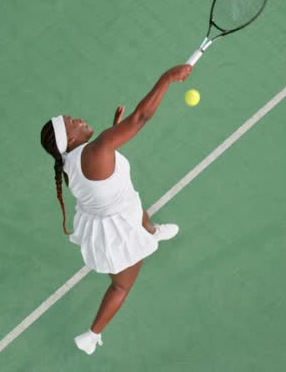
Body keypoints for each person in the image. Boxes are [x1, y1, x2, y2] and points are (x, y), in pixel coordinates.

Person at [39, 64, 193, 355]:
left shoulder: (71, 162)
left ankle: (152, 232)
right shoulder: (97, 149)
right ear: (70, 139)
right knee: (121, 287)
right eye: (73, 122)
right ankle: (92, 335)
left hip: (115, 208)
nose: (79, 119)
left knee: (135, 204)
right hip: (114, 228)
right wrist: (168, 78)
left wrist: (111, 134)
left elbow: (100, 164)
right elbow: (142, 116)